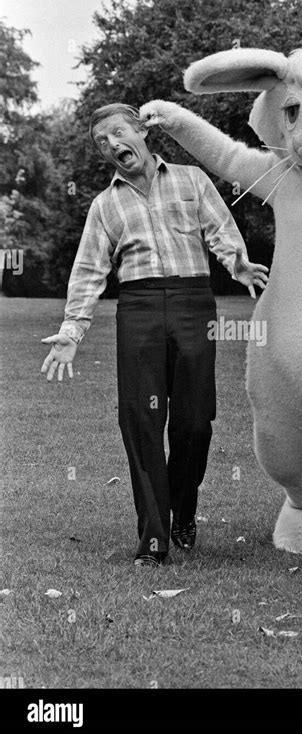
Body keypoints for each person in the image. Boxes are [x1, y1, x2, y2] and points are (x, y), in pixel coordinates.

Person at [40, 103, 268, 568]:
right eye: (102, 143)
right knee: (141, 424)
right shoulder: (105, 205)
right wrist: (72, 330)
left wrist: (237, 262)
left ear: (141, 132)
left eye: (117, 134)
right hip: (139, 310)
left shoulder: (190, 179)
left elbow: (220, 228)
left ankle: (182, 510)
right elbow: (88, 270)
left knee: (193, 422)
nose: (111, 146)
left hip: (192, 306)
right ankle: (154, 538)